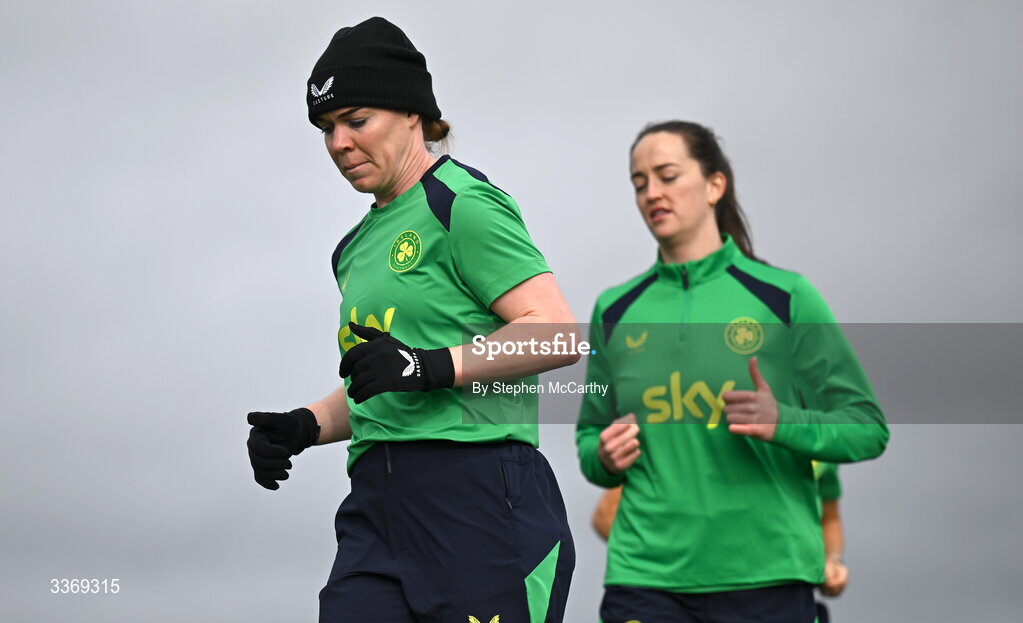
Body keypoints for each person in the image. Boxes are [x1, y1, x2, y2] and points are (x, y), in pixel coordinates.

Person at [245, 17, 576, 623]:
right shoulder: (352, 250)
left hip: (479, 500)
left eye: (356, 120)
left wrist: (429, 366)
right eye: (326, 127)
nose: (338, 143)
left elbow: (556, 332)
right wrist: (305, 424)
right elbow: (385, 381)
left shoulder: (462, 203)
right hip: (377, 509)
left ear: (412, 114)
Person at [575, 120, 888, 623]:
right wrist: (605, 457)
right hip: (645, 577)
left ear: (715, 184)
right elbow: (590, 438)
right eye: (639, 182)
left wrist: (783, 421)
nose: (652, 192)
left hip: (765, 575)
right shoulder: (614, 309)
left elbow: (867, 428)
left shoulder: (784, 297)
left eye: (668, 175)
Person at [590, 461, 851, 622]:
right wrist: (689, 561)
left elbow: (829, 518)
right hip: (676, 598)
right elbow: (606, 514)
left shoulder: (816, 428)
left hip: (779, 598)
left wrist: (832, 560)